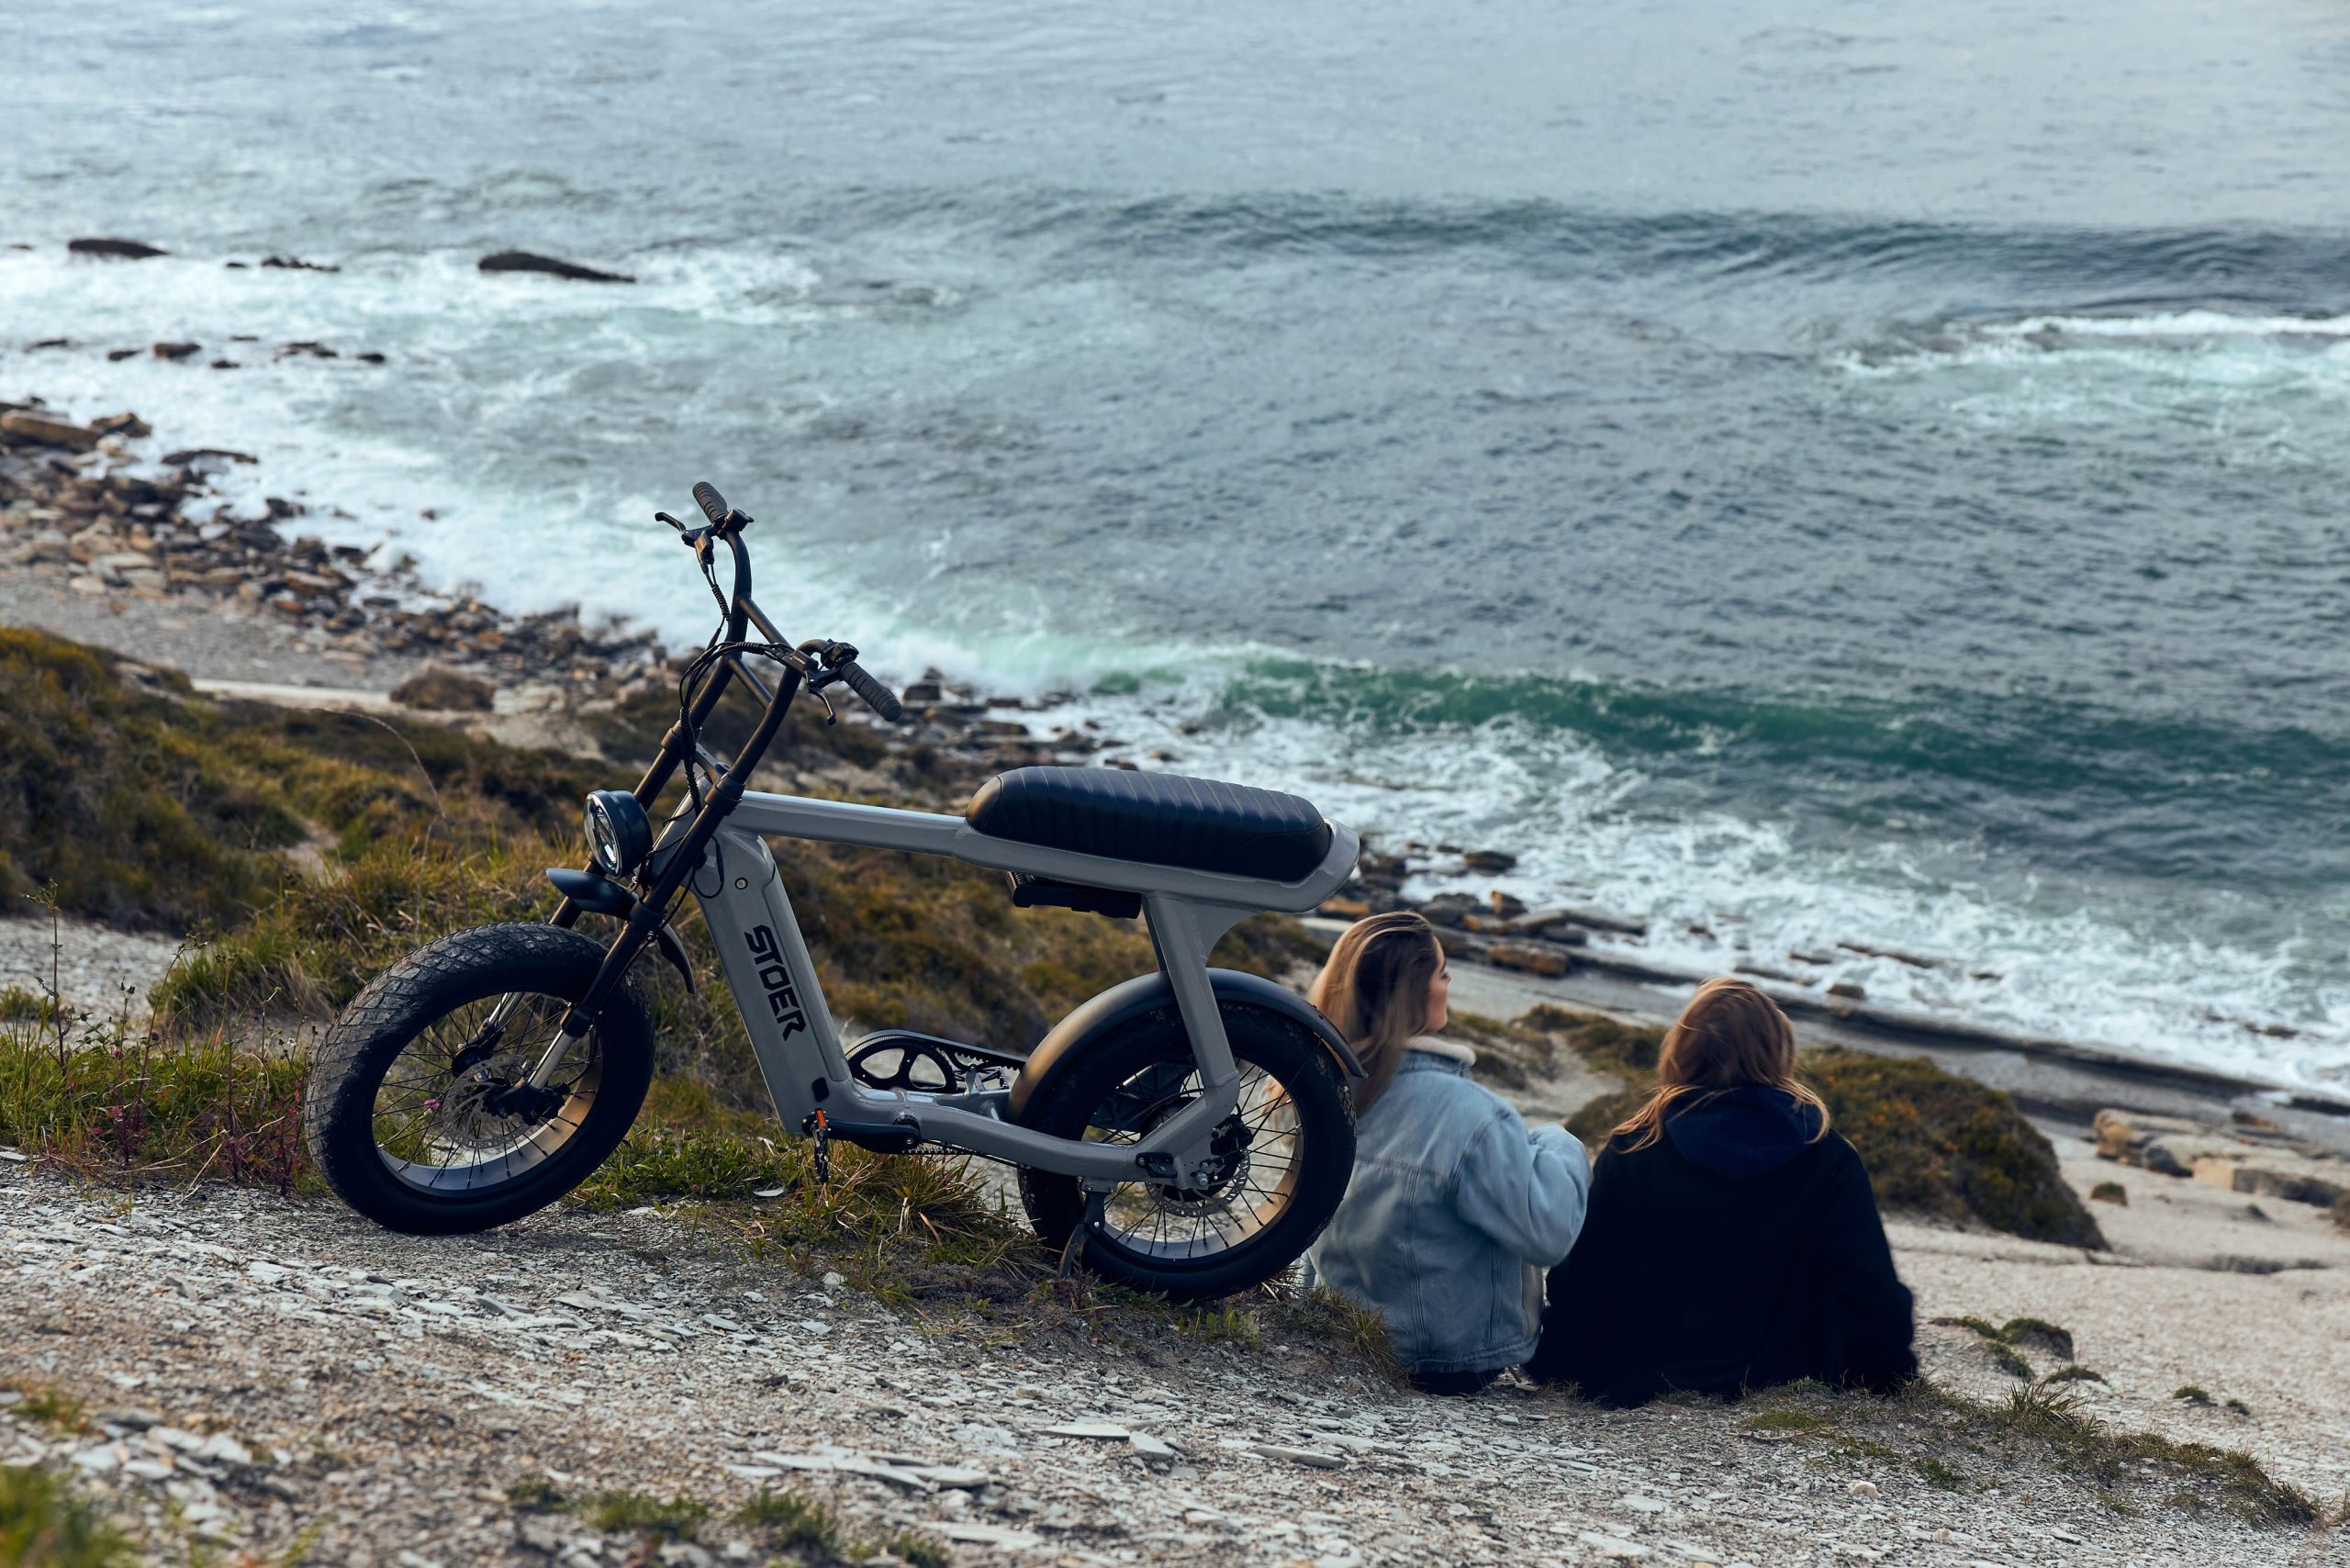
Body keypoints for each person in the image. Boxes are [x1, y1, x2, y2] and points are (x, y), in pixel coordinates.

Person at [1527, 977, 1917, 1404]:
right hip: (1783, 1370)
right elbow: (1870, 1290)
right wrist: (1890, 1376)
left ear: (1682, 1050)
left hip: (1634, 1364)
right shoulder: (1828, 1157)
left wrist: (1563, 1355)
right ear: (1778, 1053)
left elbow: (1581, 1278)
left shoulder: (1636, 1145)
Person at [1302, 911, 1592, 1394]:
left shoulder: (1319, 1092)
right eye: (1440, 972)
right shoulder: (1470, 1114)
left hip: (1345, 1340)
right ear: (1414, 992)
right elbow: (1550, 1235)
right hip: (1452, 1360)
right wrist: (1560, 1142)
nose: (1449, 980)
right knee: (1545, 1154)